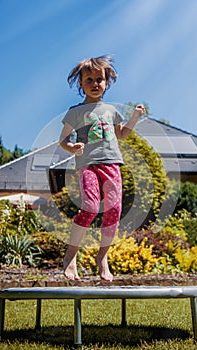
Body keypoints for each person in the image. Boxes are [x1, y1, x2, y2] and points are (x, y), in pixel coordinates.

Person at [59, 55, 146, 281]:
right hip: (88, 165)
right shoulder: (75, 112)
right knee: (89, 206)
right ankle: (71, 255)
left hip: (112, 165)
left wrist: (135, 117)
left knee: (114, 211)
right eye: (89, 79)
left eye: (99, 79)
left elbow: (123, 134)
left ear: (107, 82)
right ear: (80, 83)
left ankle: (103, 257)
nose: (95, 83)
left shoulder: (111, 111)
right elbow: (63, 140)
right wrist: (72, 147)